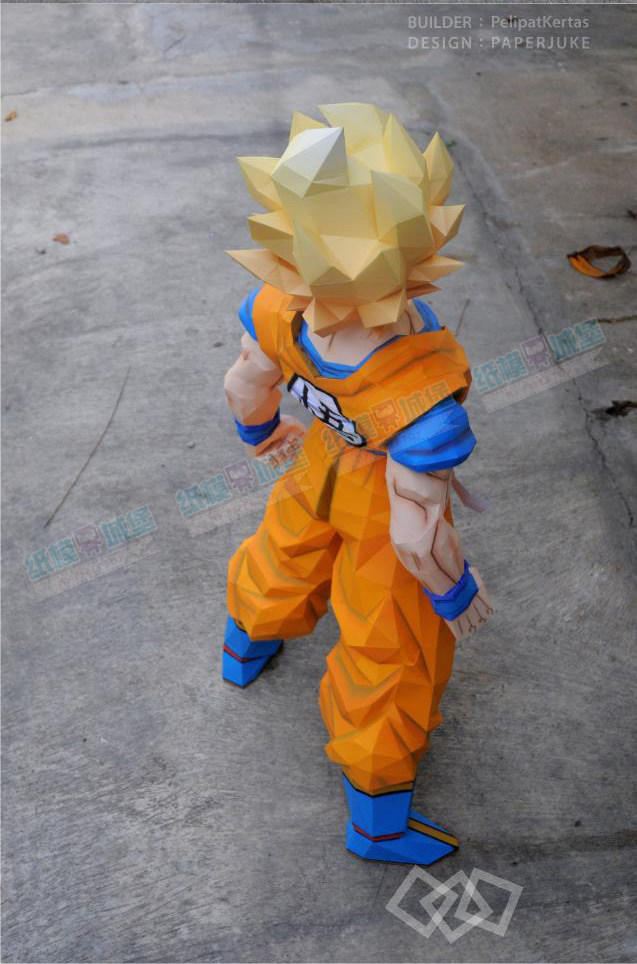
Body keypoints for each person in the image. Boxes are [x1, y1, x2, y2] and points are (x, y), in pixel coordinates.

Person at [221, 103, 494, 865]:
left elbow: (245, 382)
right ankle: (377, 825)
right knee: (390, 653)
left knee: (281, 553)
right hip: (379, 506)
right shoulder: (423, 388)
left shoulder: (273, 307)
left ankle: (242, 651)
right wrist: (454, 593)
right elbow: (415, 528)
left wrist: (260, 433)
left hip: (315, 467)